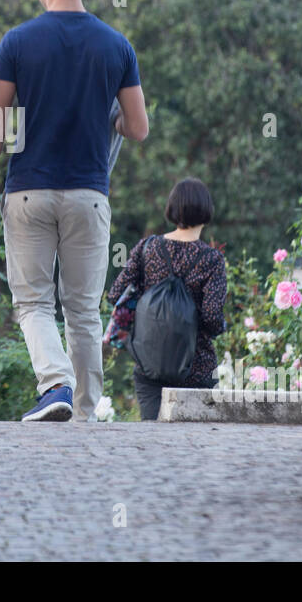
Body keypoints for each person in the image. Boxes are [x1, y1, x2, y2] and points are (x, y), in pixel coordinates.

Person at [0, 0, 148, 422]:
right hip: (89, 196)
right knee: (84, 312)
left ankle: (55, 386)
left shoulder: (17, 42)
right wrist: (108, 119)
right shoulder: (117, 45)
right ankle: (87, 417)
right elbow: (138, 127)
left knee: (32, 303)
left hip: (27, 192)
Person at [108, 177, 227, 421]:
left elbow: (116, 293)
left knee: (152, 436)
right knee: (197, 439)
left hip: (149, 363)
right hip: (197, 365)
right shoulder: (212, 260)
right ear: (206, 211)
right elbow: (212, 317)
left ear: (172, 209)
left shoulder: (147, 247)